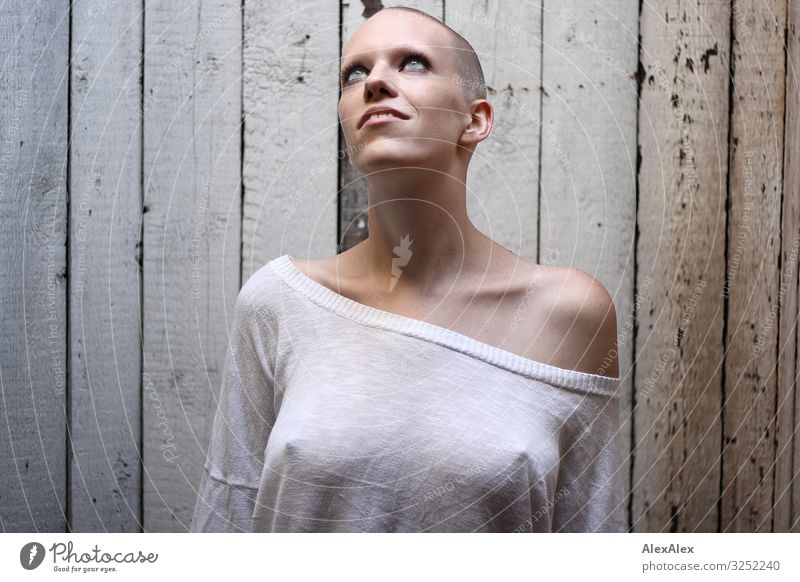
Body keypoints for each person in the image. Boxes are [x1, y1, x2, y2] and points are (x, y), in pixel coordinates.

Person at [190, 6, 625, 533]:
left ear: (476, 120)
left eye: (413, 63)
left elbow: (590, 536)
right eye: (355, 72)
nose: (375, 82)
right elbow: (228, 517)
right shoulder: (278, 303)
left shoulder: (568, 314)